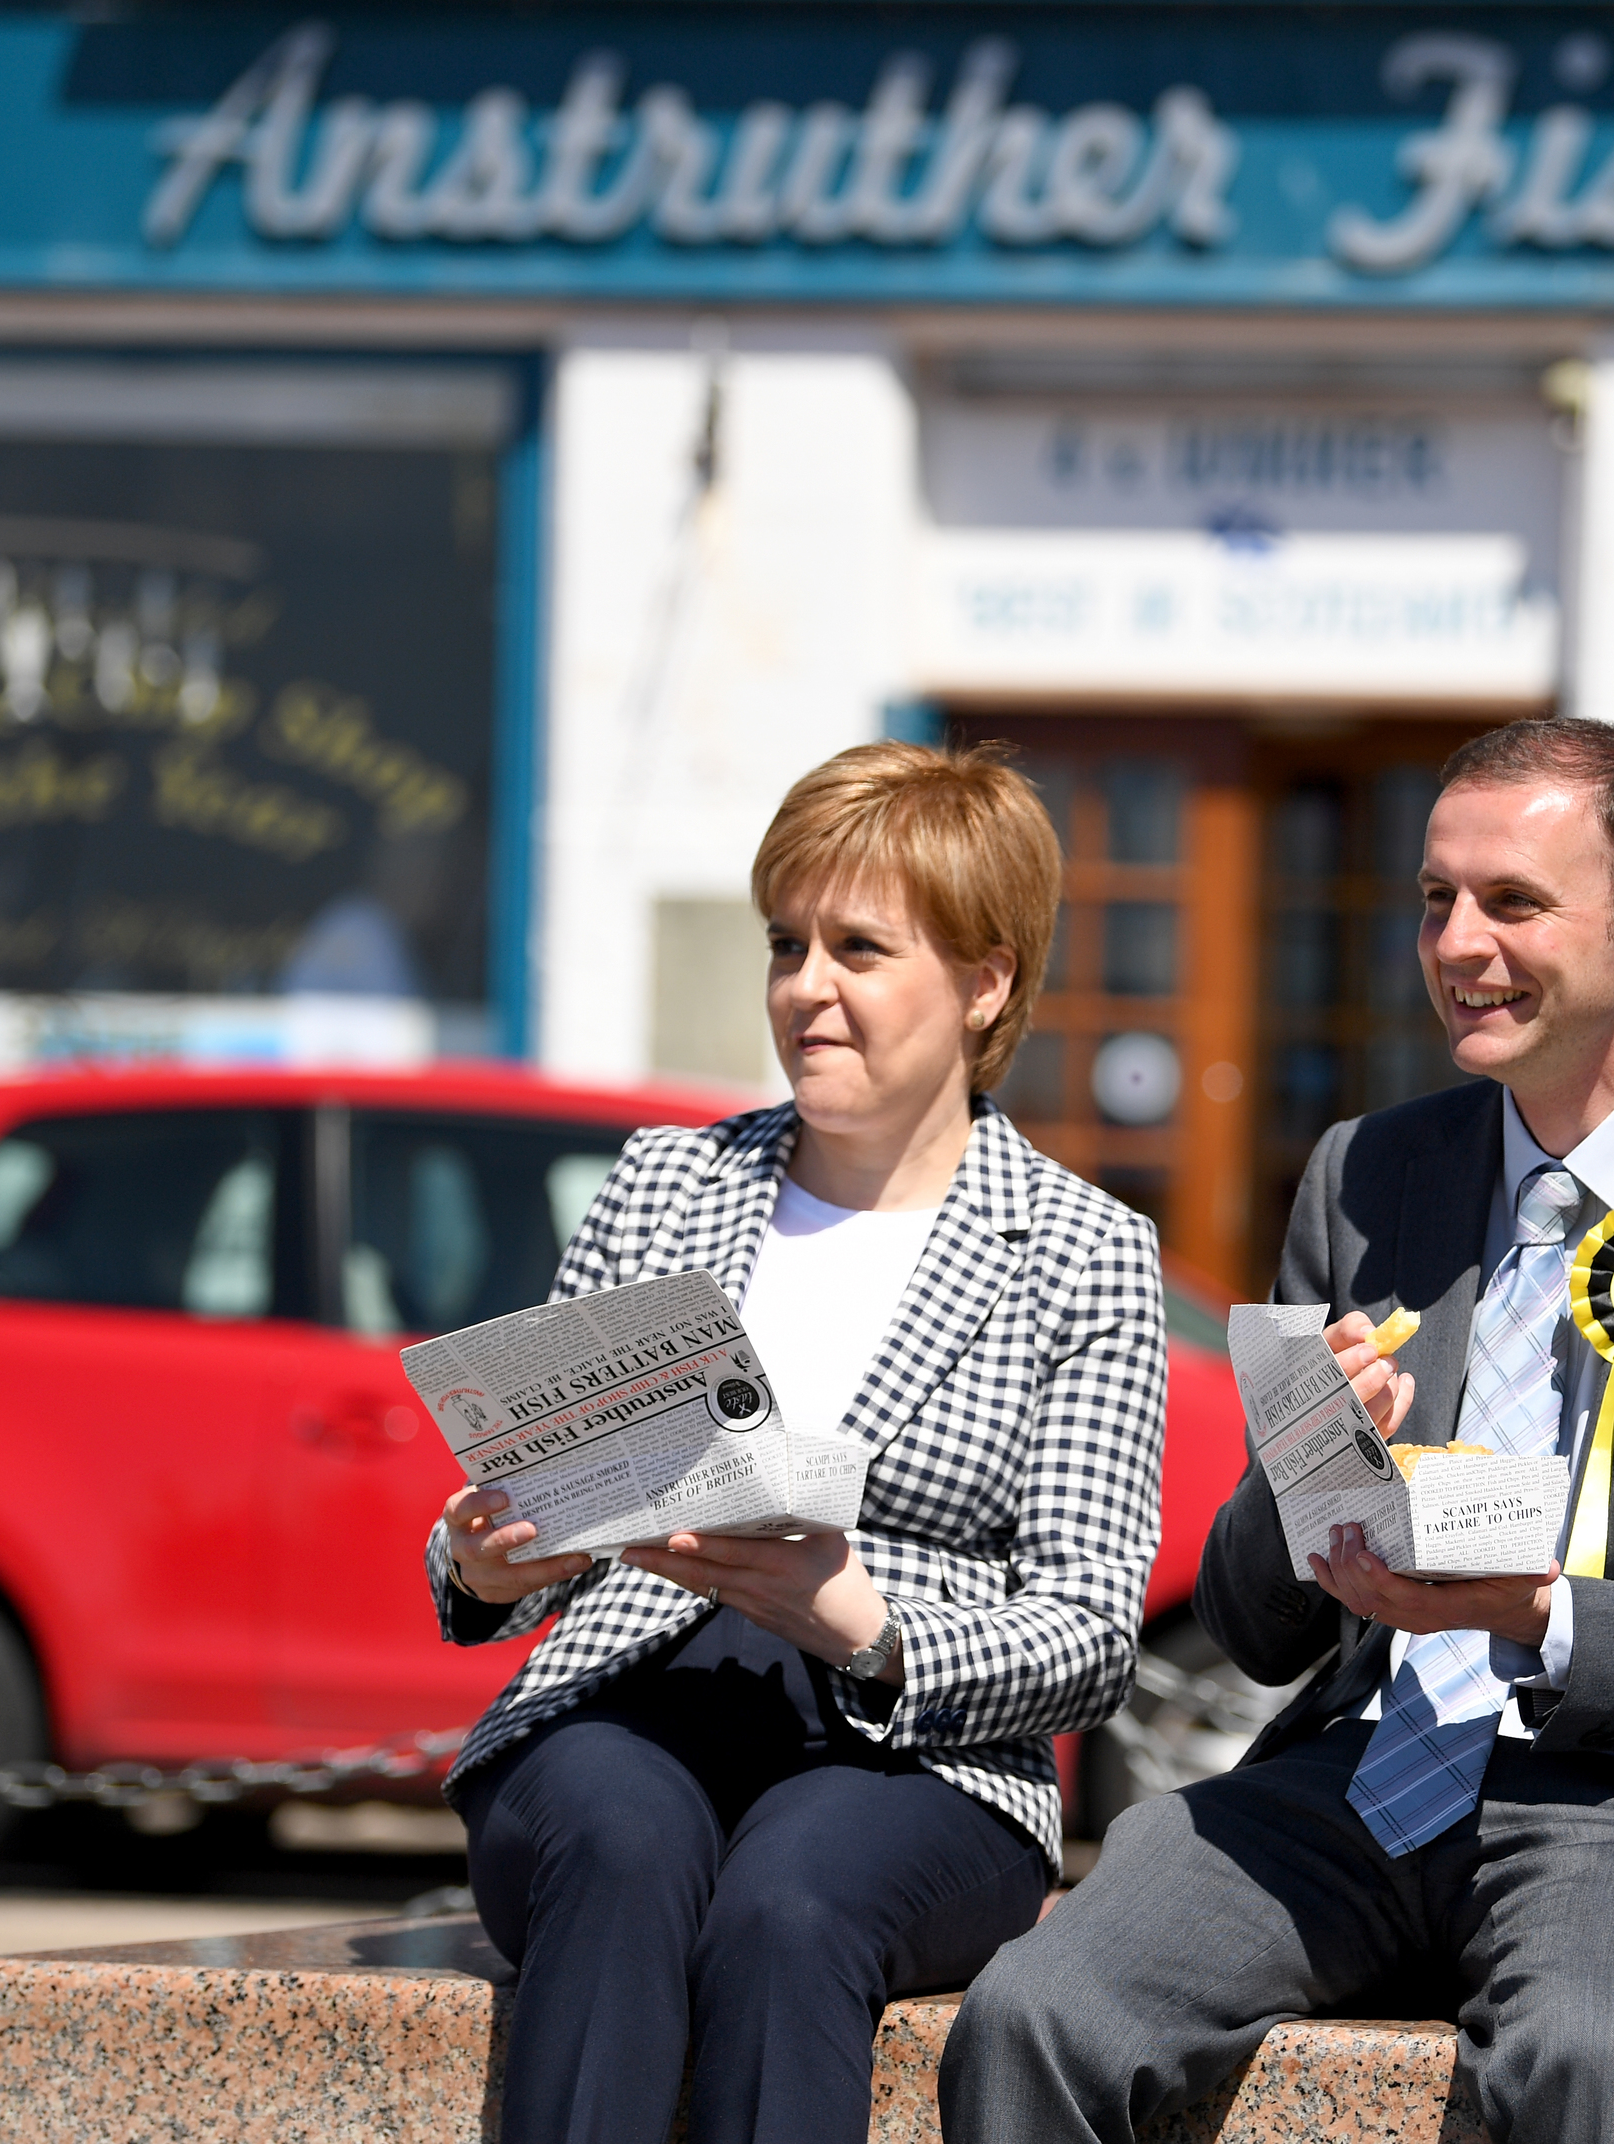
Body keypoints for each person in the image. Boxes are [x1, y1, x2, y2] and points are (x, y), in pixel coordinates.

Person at [942, 720, 1614, 2144]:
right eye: (1436, 899)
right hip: (1359, 1769)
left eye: (1513, 903)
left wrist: (1540, 1614)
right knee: (1036, 2017)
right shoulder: (1366, 1173)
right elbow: (1255, 1630)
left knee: (1589, 2063)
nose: (1457, 942)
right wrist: (1306, 1479)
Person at [426, 743, 1170, 2144]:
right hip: (638, 1689)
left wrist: (873, 1629)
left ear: (985, 981)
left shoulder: (1084, 1252)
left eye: (859, 948)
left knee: (788, 1908)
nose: (805, 988)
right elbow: (524, 1484)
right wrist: (491, 1558)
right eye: (788, 944)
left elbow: (1089, 1631)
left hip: (919, 1753)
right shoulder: (665, 1182)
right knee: (621, 1844)